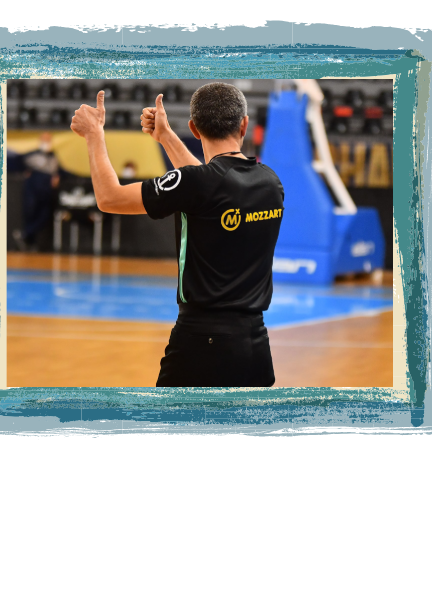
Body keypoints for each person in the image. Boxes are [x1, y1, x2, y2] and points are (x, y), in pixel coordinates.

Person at [70, 82, 284, 387]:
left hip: (200, 343)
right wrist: (165, 137)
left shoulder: (199, 183)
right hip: (255, 345)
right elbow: (208, 186)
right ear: (244, 125)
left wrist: (94, 134)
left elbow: (110, 198)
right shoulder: (270, 182)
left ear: (194, 129)